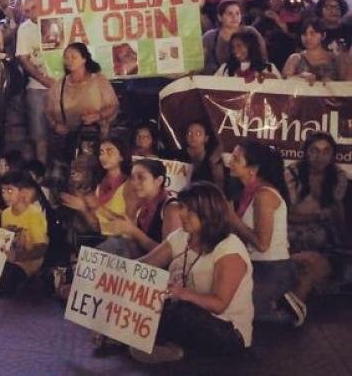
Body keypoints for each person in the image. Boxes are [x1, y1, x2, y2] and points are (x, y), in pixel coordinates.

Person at [132, 182, 253, 363]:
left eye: (191, 210)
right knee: (145, 296)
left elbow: (219, 305)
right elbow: (145, 265)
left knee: (178, 311)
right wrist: (109, 270)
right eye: (182, 207)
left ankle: (174, 351)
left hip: (227, 330)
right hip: (186, 311)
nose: (182, 214)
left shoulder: (229, 249)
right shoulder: (181, 236)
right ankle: (153, 343)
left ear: (209, 214)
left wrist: (181, 293)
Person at [225, 141, 304, 325]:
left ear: (253, 169)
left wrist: (233, 219)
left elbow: (262, 244)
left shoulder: (264, 195)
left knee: (240, 314)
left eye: (236, 158)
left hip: (272, 269)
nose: (230, 161)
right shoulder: (247, 191)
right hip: (254, 266)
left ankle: (288, 307)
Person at [286, 132, 346, 313]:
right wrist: (316, 217)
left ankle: (291, 306)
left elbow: (337, 213)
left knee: (321, 260)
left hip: (322, 239)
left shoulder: (338, 177)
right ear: (306, 152)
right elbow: (285, 215)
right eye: (315, 151)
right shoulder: (292, 174)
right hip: (292, 234)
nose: (320, 157)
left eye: (326, 151)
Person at [44, 43, 119, 164]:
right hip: (69, 143)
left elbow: (113, 105)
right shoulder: (59, 85)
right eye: (66, 57)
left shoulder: (99, 80)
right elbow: (48, 111)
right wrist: (55, 126)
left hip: (95, 140)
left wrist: (97, 116)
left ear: (84, 59)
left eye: (73, 57)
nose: (69, 61)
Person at [101, 158, 181, 257]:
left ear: (159, 180)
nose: (134, 183)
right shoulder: (139, 204)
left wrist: (133, 231)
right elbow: (136, 252)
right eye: (133, 178)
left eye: (141, 177)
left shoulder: (171, 208)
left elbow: (169, 256)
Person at [61, 136, 133, 239]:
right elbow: (95, 225)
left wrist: (85, 208)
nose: (104, 157)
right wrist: (83, 207)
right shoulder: (98, 183)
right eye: (101, 152)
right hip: (98, 241)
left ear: (121, 156)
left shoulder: (129, 185)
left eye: (109, 152)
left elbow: (124, 226)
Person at [0, 171, 49, 294]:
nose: (5, 195)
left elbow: (41, 249)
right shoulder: (5, 214)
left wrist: (18, 257)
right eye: (3, 191)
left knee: (7, 280)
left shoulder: (34, 214)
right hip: (10, 259)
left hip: (28, 262)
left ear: (22, 192)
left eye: (10, 190)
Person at [16, 0, 53, 164]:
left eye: (34, 8)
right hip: (37, 86)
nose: (31, 13)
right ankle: (43, 172)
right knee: (39, 136)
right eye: (27, 11)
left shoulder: (58, 20)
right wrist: (45, 81)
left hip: (64, 85)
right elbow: (24, 59)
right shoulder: (24, 29)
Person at [201, 0, 267, 74]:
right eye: (230, 13)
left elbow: (262, 58)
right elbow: (201, 62)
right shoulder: (209, 37)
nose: (234, 17)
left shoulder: (251, 32)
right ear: (220, 17)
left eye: (237, 13)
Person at [282, 19, 342, 83]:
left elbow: (346, 83)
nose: (308, 38)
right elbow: (284, 81)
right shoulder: (295, 58)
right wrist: (299, 77)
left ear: (323, 35)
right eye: (304, 34)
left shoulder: (335, 58)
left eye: (312, 33)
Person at [214, 30, 280, 80]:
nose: (235, 50)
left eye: (239, 46)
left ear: (251, 46)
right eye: (233, 47)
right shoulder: (225, 69)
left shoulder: (269, 68)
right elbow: (211, 87)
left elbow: (282, 91)